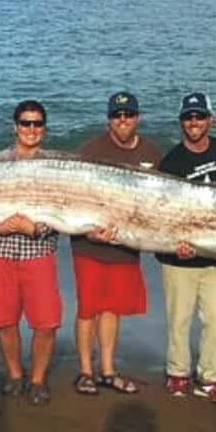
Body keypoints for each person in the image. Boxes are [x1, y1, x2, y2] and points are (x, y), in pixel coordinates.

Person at [70, 92, 161, 395]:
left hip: (126, 245)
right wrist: (88, 231)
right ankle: (85, 371)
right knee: (88, 309)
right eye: (117, 116)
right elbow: (71, 196)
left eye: (129, 115)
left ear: (138, 117)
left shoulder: (152, 152)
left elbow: (162, 203)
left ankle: (107, 370)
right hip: (90, 245)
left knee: (112, 309)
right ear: (109, 119)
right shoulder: (91, 149)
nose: (123, 120)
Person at [155, 93, 216, 403]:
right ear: (181, 123)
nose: (194, 122)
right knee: (180, 319)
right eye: (189, 117)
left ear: (210, 120)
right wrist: (177, 245)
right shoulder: (171, 161)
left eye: (200, 117)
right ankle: (178, 374)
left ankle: (210, 378)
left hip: (214, 254)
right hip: (179, 255)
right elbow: (163, 211)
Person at [0, 100, 61, 406]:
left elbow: (65, 208)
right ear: (15, 127)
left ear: (44, 128)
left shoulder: (56, 166)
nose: (31, 129)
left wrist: (36, 229)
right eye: (25, 123)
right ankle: (14, 374)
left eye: (37, 124)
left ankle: (37, 379)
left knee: (46, 321)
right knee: (5, 319)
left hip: (38, 250)